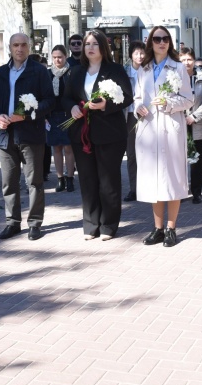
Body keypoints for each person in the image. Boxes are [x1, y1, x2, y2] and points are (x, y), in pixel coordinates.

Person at [63, 29, 134, 241]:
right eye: (87, 44)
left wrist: (106, 105)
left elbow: (127, 97)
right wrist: (72, 108)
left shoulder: (115, 70)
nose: (90, 47)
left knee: (108, 181)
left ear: (103, 47)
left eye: (94, 44)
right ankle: (91, 224)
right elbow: (66, 98)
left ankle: (108, 225)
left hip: (109, 134)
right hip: (82, 134)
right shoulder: (76, 71)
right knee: (87, 180)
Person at [0, 33, 54, 241]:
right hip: (5, 135)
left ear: (29, 47)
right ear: (10, 47)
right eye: (16, 45)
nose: (20, 49)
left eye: (24, 44)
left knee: (34, 182)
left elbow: (49, 101)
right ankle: (12, 222)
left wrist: (27, 114)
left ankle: (34, 223)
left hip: (31, 134)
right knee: (8, 182)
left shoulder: (39, 71)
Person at [134, 25, 193, 247]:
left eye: (166, 39)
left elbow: (188, 99)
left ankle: (171, 228)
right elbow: (136, 97)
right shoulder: (144, 69)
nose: (162, 42)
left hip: (170, 127)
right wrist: (138, 107)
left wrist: (168, 103)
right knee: (153, 180)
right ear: (151, 42)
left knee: (172, 178)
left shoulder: (178, 67)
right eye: (157, 39)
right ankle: (157, 228)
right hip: (149, 128)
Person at [180, 47, 202, 204]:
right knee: (180, 159)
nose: (187, 63)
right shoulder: (174, 77)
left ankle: (197, 191)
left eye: (189, 59)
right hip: (180, 123)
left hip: (198, 123)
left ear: (194, 60)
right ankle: (180, 191)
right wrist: (183, 116)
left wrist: (193, 116)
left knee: (197, 159)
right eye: (183, 60)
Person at [46, 45, 76, 193]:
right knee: (56, 148)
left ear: (65, 57)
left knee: (68, 147)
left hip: (67, 114)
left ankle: (70, 178)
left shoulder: (71, 72)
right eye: (54, 57)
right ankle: (60, 179)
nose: (57, 60)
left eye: (60, 57)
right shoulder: (48, 74)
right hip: (52, 115)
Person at [123, 40, 147, 202]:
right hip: (129, 115)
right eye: (136, 53)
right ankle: (134, 188)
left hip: (147, 114)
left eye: (142, 53)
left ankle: (147, 187)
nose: (140, 56)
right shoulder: (124, 71)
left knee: (147, 152)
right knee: (131, 153)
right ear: (131, 55)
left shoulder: (149, 70)